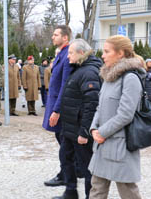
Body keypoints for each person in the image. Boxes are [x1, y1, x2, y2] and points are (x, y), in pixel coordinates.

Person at [88, 35, 145, 199]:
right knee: (97, 190)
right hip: (102, 145)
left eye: (107, 51)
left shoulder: (130, 78)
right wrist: (93, 128)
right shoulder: (108, 77)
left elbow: (126, 114)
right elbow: (99, 107)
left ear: (120, 53)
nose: (102, 55)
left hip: (121, 147)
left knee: (128, 192)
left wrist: (102, 132)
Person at [53, 39, 102, 199]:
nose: (68, 57)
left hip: (80, 130)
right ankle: (70, 192)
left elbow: (91, 105)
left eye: (71, 53)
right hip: (69, 128)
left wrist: (84, 132)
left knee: (87, 167)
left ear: (81, 53)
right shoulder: (79, 68)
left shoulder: (89, 72)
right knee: (66, 158)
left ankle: (91, 196)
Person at [42, 25, 73, 187]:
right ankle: (74, 169)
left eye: (56, 35)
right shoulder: (61, 53)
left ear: (65, 38)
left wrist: (57, 110)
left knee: (64, 140)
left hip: (60, 106)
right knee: (61, 139)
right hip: (54, 102)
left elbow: (65, 84)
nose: (53, 37)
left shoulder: (67, 54)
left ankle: (66, 174)